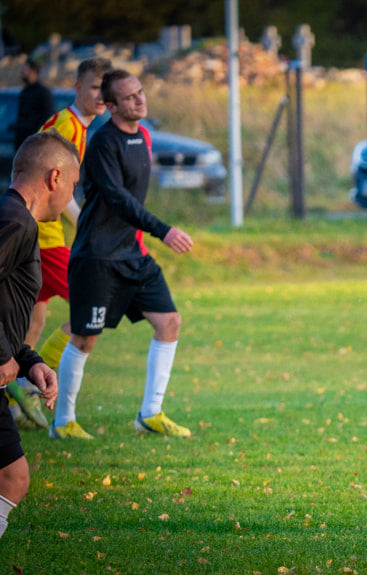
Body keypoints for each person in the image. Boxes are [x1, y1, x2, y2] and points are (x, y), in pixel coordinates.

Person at [51, 69, 194, 440]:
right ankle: (63, 422)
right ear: (111, 106)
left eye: (140, 93)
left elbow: (131, 202)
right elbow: (118, 199)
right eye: (129, 97)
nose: (139, 100)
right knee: (85, 338)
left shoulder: (143, 136)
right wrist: (163, 230)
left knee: (169, 322)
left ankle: (151, 414)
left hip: (132, 255)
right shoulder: (102, 143)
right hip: (97, 257)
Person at [7, 57, 113, 431]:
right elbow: (54, 182)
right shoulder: (67, 124)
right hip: (47, 237)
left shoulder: (83, 128)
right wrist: (86, 223)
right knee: (91, 304)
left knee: (33, 315)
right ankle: (33, 391)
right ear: (78, 88)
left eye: (107, 88)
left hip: (44, 233)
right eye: (96, 87)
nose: (103, 96)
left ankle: (17, 389)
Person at [0, 130, 79, 538]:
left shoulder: (17, 219)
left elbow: (6, 306)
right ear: (54, 178)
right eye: (73, 185)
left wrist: (30, 362)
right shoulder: (14, 221)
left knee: (12, 477)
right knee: (12, 478)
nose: (71, 198)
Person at [14, 58, 55, 151]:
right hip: (21, 144)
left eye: (25, 69)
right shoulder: (24, 92)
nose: (22, 72)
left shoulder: (43, 92)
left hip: (35, 144)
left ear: (34, 71)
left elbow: (48, 118)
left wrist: (37, 137)